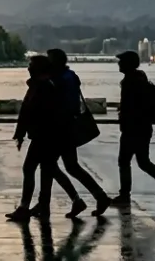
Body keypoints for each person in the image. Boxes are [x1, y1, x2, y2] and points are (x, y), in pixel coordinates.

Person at [8, 54, 79, 221]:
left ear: (38, 68)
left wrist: (22, 132)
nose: (28, 68)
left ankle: (25, 207)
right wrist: (21, 133)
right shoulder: (42, 85)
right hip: (47, 136)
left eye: (31, 65)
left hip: (44, 136)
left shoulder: (42, 87)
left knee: (31, 168)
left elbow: (29, 112)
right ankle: (48, 206)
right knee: (48, 170)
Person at [110, 51, 155, 208]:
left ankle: (125, 196)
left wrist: (125, 121)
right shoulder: (139, 79)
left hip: (134, 128)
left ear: (127, 64)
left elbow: (131, 107)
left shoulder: (131, 82)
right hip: (142, 127)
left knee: (125, 161)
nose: (118, 64)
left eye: (121, 61)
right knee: (143, 162)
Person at [48, 48, 112, 217]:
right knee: (71, 166)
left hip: (62, 129)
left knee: (52, 165)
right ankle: (98, 196)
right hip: (66, 127)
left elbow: (65, 105)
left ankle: (79, 199)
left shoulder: (62, 80)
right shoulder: (69, 77)